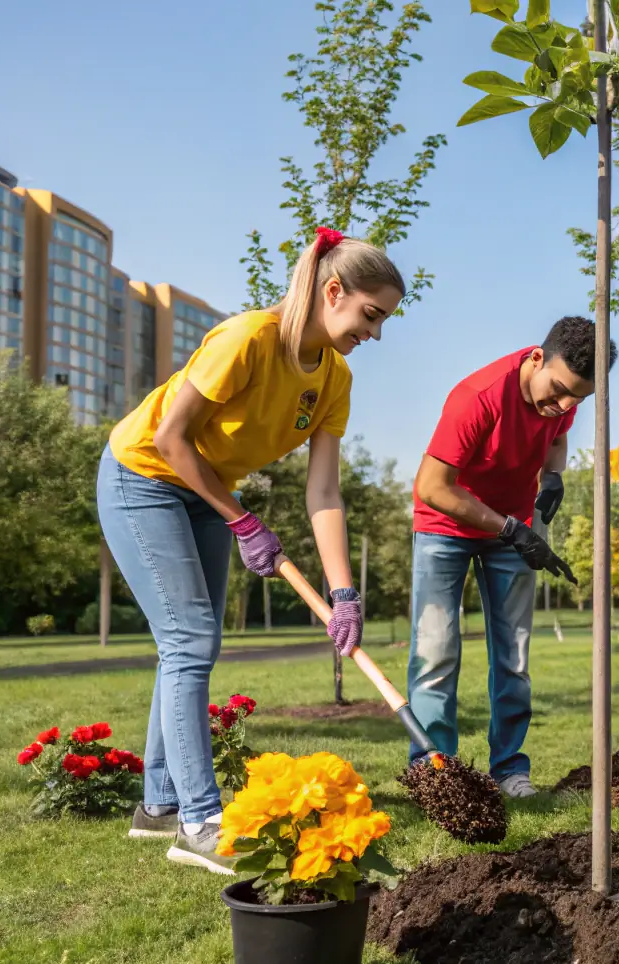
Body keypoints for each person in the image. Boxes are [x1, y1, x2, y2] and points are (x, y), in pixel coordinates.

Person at [98, 228, 404, 874]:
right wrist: (242, 522)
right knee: (189, 639)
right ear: (332, 291)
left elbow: (324, 494)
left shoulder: (334, 379)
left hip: (207, 491)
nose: (374, 333)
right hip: (143, 475)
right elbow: (174, 437)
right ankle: (198, 820)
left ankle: (156, 805)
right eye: (370, 315)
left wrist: (343, 592)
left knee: (190, 643)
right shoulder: (247, 340)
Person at [409, 316, 614, 797]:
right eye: (559, 390)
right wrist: (509, 528)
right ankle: (435, 776)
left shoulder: (563, 400)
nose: (562, 406)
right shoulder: (478, 397)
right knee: (435, 653)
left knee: (514, 656)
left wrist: (552, 478)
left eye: (577, 399)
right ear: (537, 358)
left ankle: (508, 771)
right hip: (446, 528)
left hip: (513, 527)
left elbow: (557, 439)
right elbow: (432, 487)